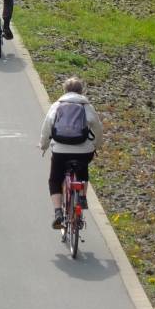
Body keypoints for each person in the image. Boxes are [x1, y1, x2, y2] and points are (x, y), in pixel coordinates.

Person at [40, 76, 103, 230]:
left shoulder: (57, 105)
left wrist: (44, 146)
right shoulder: (87, 106)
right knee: (82, 171)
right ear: (82, 91)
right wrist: (96, 145)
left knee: (55, 179)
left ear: (65, 90)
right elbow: (97, 128)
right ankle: (81, 198)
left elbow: (47, 126)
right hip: (83, 150)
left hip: (60, 150)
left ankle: (58, 213)